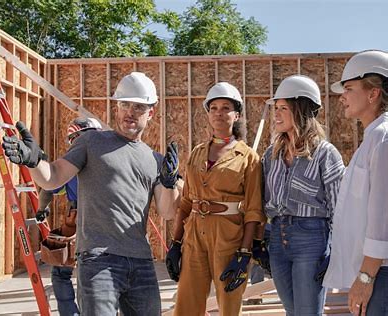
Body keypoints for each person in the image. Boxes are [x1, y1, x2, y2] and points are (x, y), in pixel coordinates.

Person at [2, 72, 182, 316]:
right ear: (116, 108)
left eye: (138, 107)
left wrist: (169, 182)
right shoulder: (92, 142)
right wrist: (34, 160)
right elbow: (53, 176)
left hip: (141, 262)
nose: (130, 111)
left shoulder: (155, 160)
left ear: (151, 112)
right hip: (99, 260)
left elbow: (168, 211)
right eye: (124, 104)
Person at [165, 82, 267, 316]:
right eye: (214, 108)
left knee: (229, 304)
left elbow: (253, 209)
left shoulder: (248, 157)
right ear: (208, 114)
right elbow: (186, 203)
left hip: (229, 236)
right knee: (187, 305)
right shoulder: (197, 153)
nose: (219, 113)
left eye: (226, 108)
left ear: (236, 114)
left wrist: (244, 252)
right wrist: (176, 243)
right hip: (195, 236)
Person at [262, 75, 345, 316]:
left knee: (308, 313)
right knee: (291, 311)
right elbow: (264, 201)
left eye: (283, 108)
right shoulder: (271, 155)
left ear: (301, 110)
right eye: (275, 108)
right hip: (277, 238)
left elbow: (338, 209)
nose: (276, 114)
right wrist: (263, 239)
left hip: (311, 239)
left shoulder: (325, 154)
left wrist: (335, 253)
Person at [323, 50, 388, 316]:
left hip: (380, 274)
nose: (342, 97)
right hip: (376, 272)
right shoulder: (372, 139)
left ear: (373, 94)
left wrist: (365, 279)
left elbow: (382, 218)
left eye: (349, 88)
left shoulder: (383, 138)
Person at [36, 117, 102, 316]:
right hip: (105, 223)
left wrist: (41, 209)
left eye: (73, 138)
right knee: (100, 273)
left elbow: (49, 187)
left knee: (62, 271)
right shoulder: (110, 162)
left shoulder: (72, 163)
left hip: (80, 220)